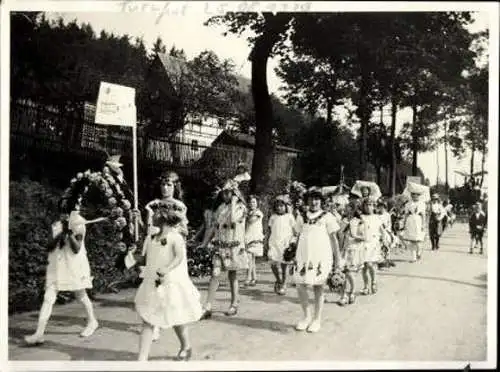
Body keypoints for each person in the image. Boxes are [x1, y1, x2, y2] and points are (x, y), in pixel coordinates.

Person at [24, 197, 99, 345]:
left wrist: (69, 233)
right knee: (48, 297)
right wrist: (60, 233)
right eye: (61, 212)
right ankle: (39, 333)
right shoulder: (56, 224)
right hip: (56, 266)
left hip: (74, 265)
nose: (63, 215)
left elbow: (77, 248)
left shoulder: (79, 223)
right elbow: (50, 246)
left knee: (80, 295)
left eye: (66, 212)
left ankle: (92, 321)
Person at [134, 204, 202, 361]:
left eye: (154, 213)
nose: (152, 216)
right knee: (148, 319)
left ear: (163, 216)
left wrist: (167, 268)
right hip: (152, 283)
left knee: (175, 318)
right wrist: (130, 258)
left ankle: (186, 345)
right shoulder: (152, 239)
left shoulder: (175, 237)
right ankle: (141, 360)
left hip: (170, 283)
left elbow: (178, 257)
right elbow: (146, 259)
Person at [139, 171, 188, 342]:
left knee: (171, 286)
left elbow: (184, 230)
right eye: (163, 184)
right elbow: (148, 227)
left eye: (169, 185)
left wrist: (173, 230)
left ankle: (174, 320)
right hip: (155, 246)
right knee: (154, 283)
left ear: (175, 187)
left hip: (172, 247)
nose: (165, 188)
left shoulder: (180, 206)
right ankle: (155, 323)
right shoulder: (153, 205)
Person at [198, 180, 248, 318]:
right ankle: (207, 306)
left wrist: (233, 202)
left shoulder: (240, 207)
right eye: (224, 193)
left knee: (232, 275)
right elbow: (214, 227)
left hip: (233, 246)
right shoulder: (220, 208)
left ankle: (234, 303)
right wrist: (204, 242)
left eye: (228, 193)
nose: (225, 195)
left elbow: (233, 220)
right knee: (215, 273)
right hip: (220, 245)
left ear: (234, 193)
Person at [294, 189, 340, 333]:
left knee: (318, 287)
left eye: (317, 199)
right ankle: (306, 316)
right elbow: (297, 235)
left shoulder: (328, 216)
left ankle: (316, 319)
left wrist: (337, 260)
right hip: (303, 255)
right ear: (307, 201)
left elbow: (334, 239)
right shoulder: (301, 216)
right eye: (311, 199)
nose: (314, 202)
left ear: (321, 201)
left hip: (321, 256)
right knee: (300, 285)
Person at [267, 195, 299, 295]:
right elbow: (269, 231)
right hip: (274, 242)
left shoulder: (290, 217)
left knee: (284, 265)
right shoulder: (273, 217)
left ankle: (284, 283)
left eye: (281, 206)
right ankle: (278, 280)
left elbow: (295, 231)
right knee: (272, 262)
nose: (279, 208)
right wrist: (265, 242)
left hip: (285, 244)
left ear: (286, 206)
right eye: (277, 206)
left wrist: (293, 243)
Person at [338, 201, 363, 306]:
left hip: (353, 250)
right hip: (343, 250)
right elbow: (338, 235)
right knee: (342, 273)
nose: (346, 209)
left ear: (354, 209)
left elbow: (364, 237)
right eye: (346, 207)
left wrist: (355, 236)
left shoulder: (359, 221)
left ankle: (352, 292)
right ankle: (343, 295)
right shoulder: (342, 220)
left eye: (349, 207)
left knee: (349, 273)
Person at [359, 197, 385, 295]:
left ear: (373, 206)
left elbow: (382, 230)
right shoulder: (361, 217)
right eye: (366, 205)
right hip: (363, 243)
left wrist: (385, 240)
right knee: (364, 267)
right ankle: (366, 286)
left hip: (373, 243)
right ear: (363, 206)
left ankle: (373, 282)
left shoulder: (376, 217)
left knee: (370, 264)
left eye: (371, 205)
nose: (369, 207)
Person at [244, 195, 264, 286]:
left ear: (257, 204)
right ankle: (254, 278)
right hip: (248, 236)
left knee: (250, 259)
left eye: (254, 202)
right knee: (251, 259)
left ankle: (248, 278)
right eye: (250, 202)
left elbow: (251, 220)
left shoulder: (258, 213)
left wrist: (245, 215)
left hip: (255, 237)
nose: (252, 204)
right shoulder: (248, 212)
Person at [402, 191, 426, 262]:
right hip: (410, 221)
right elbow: (406, 214)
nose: (414, 196)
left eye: (416, 195)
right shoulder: (408, 204)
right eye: (413, 195)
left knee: (418, 240)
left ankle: (419, 252)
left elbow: (423, 215)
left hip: (418, 221)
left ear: (419, 195)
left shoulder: (422, 204)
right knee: (412, 240)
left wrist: (423, 224)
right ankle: (413, 257)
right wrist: (404, 223)